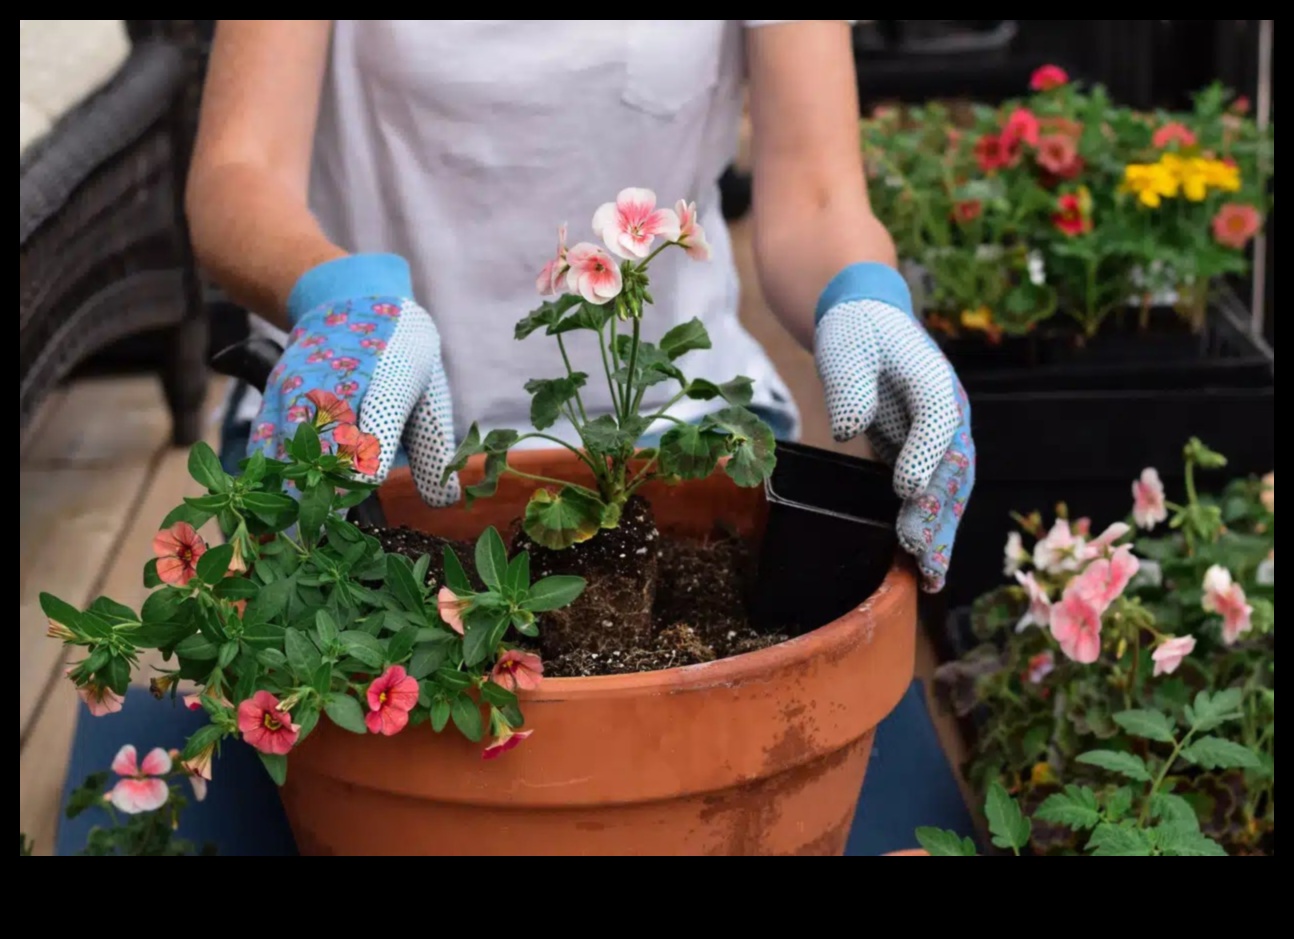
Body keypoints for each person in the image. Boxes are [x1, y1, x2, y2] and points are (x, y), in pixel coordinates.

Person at [186, 20, 975, 592]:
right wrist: (335, 292)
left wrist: (863, 295)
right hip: (365, 416)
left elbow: (817, 191)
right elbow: (235, 171)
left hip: (669, 433)